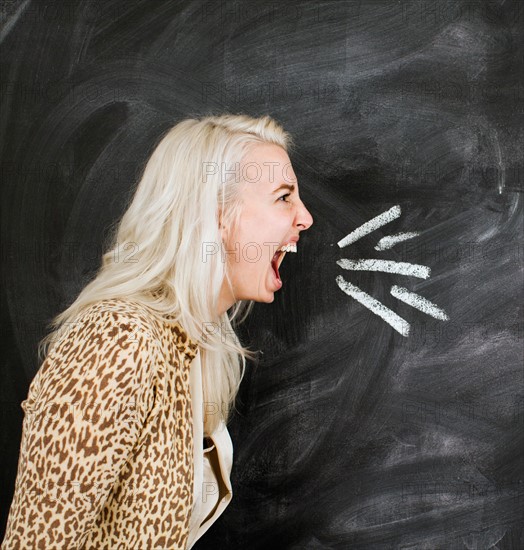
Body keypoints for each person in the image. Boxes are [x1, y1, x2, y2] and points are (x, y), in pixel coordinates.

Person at [2, 113, 314, 549]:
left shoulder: (192, 343)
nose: (306, 218)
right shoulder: (118, 339)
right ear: (216, 215)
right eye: (284, 198)